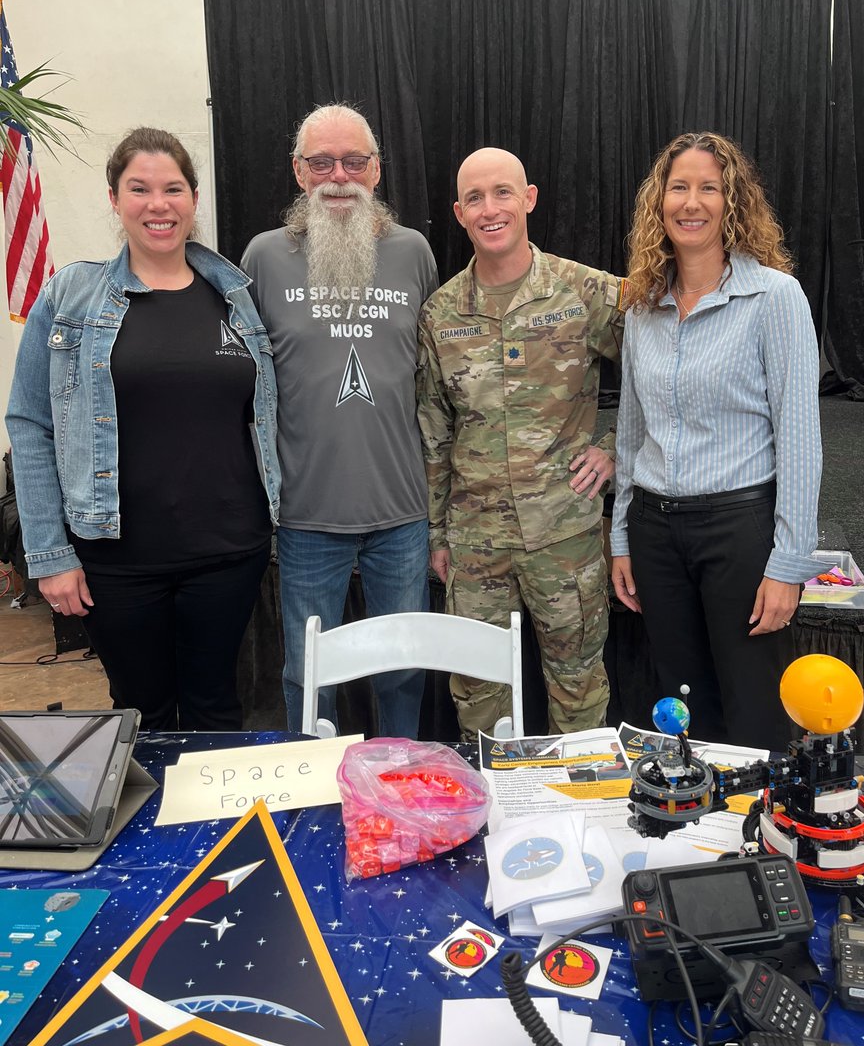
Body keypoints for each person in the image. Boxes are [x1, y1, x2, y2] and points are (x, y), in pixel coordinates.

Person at [5, 127, 280, 731]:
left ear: (194, 198)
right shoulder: (70, 296)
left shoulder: (236, 296)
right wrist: (49, 555)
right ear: (114, 198)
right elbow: (29, 423)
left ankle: (218, 828)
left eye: (173, 189)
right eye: (140, 189)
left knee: (216, 707)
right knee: (142, 714)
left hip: (230, 553)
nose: (159, 205)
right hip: (116, 561)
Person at [610, 132, 822, 749]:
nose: (691, 202)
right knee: (684, 716)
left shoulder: (774, 298)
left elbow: (801, 437)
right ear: (660, 201)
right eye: (679, 187)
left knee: (753, 714)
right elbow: (630, 430)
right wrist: (622, 534)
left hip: (738, 532)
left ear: (734, 202)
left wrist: (789, 565)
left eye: (710, 187)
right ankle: (699, 839)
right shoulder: (641, 303)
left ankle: (757, 840)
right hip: (655, 533)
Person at [242, 104, 438, 737]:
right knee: (306, 675)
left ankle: (402, 780)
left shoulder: (413, 253)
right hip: (305, 514)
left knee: (404, 669)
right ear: (299, 172)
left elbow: (436, 373)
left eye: (354, 161)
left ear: (376, 170)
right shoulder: (264, 258)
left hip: (402, 512)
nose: (338, 176)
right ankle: (315, 799)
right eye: (321, 162)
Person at [417, 147, 625, 740]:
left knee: (577, 687)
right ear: (459, 213)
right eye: (475, 198)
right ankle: (490, 816)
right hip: (475, 540)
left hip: (564, 535)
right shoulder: (441, 314)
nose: (491, 209)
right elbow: (434, 430)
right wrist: (437, 534)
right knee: (478, 696)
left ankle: (578, 816)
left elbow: (664, 369)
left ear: (528, 198)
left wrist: (616, 446)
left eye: (502, 193)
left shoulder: (585, 292)